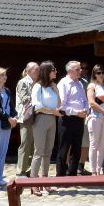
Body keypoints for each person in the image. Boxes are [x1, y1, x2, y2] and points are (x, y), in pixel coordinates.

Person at [29, 61, 62, 195]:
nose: (56, 72)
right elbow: (37, 106)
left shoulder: (53, 86)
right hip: (41, 119)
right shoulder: (38, 87)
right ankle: (33, 183)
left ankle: (45, 181)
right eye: (53, 69)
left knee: (48, 151)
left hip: (52, 120)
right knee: (39, 151)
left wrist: (57, 91)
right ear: (47, 71)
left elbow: (59, 103)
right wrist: (52, 111)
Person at [55, 61, 88, 177]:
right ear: (69, 71)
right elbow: (61, 105)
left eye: (80, 69)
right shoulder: (63, 83)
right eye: (77, 69)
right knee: (64, 147)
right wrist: (76, 112)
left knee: (77, 147)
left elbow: (85, 100)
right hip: (67, 119)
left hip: (79, 119)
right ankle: (61, 174)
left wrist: (85, 110)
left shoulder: (79, 83)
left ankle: (73, 173)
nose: (80, 71)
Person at [85, 65, 104, 176]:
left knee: (102, 145)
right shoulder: (92, 86)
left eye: (103, 72)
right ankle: (93, 171)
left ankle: (99, 169)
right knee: (94, 144)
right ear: (94, 74)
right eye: (98, 72)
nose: (101, 74)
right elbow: (92, 103)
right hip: (95, 117)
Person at [14, 62, 39, 177]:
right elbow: (25, 99)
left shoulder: (39, 83)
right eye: (36, 70)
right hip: (26, 117)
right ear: (29, 71)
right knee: (25, 143)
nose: (38, 72)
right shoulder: (23, 82)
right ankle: (21, 170)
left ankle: (29, 169)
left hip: (37, 116)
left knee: (34, 144)